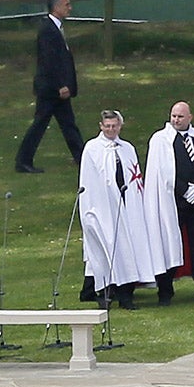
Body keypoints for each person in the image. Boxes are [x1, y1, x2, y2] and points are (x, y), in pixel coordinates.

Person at [142, 102, 194, 303]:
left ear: (190, 117)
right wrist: (184, 189)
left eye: (180, 116)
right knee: (168, 242)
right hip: (172, 202)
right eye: (173, 116)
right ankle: (165, 290)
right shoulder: (160, 140)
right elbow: (159, 172)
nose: (176, 120)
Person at [79, 111, 142, 309]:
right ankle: (105, 292)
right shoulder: (92, 148)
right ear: (101, 126)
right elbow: (91, 180)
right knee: (106, 251)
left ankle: (127, 294)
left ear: (120, 126)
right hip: (103, 209)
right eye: (107, 126)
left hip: (127, 206)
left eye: (114, 126)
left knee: (128, 249)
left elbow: (134, 176)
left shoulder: (127, 148)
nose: (110, 129)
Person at [15, 0, 84, 174]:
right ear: (56, 7)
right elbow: (49, 61)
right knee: (40, 124)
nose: (70, 8)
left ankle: (81, 156)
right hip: (51, 89)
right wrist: (60, 84)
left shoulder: (56, 28)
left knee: (68, 123)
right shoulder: (47, 30)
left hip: (56, 89)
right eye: (66, 5)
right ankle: (23, 161)